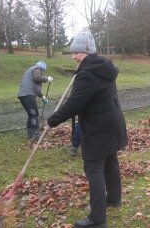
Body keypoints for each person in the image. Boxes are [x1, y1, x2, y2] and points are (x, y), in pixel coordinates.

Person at [46, 29, 128, 228]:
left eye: (78, 52)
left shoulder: (88, 74)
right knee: (110, 160)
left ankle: (98, 219)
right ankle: (114, 199)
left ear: (89, 51)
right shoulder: (104, 67)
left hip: (99, 127)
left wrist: (52, 121)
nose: (74, 56)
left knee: (94, 167)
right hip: (112, 122)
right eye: (73, 52)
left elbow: (75, 104)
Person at [18, 61, 53, 143]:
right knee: (34, 114)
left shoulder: (32, 70)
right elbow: (36, 78)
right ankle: (36, 135)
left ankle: (30, 134)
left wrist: (42, 96)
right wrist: (46, 79)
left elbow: (34, 85)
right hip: (28, 95)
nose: (42, 73)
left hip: (23, 95)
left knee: (31, 115)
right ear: (42, 68)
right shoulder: (37, 69)